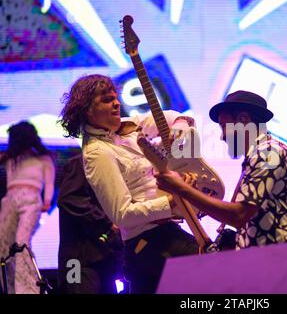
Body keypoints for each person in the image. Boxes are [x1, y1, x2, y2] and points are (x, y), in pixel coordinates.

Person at [58, 74, 198, 294]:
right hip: (146, 242)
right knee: (212, 269)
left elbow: (171, 117)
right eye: (106, 100)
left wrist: (179, 132)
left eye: (115, 97)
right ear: (88, 110)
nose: (115, 103)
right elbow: (121, 215)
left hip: (161, 234)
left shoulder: (126, 128)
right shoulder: (97, 153)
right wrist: (170, 203)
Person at [155, 90, 287, 249]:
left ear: (243, 120)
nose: (222, 136)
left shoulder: (269, 152)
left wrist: (181, 188)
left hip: (282, 261)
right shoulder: (260, 155)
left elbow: (238, 215)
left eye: (224, 126)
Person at [0, 121, 55, 294]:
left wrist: (47, 200)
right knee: (2, 245)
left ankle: (28, 289)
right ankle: (9, 287)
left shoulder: (44, 159)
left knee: (21, 243)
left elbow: (50, 182)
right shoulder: (11, 159)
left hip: (31, 200)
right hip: (10, 200)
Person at [57, 154, 124, 294]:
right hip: (77, 261)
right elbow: (69, 199)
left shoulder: (107, 168)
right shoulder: (80, 164)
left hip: (103, 259)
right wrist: (106, 223)